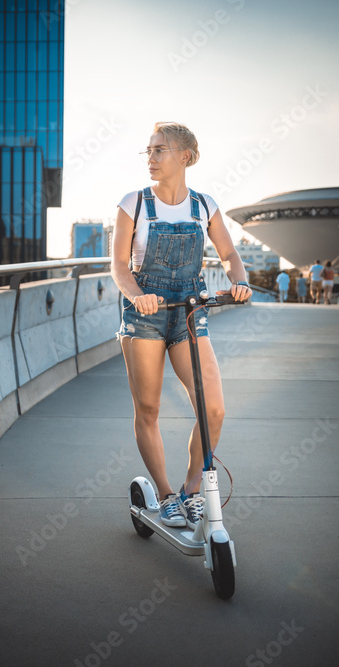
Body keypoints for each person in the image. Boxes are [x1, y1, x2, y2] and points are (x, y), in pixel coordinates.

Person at [112, 122, 252, 529]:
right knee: (149, 407)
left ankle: (192, 491)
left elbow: (229, 254)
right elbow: (119, 265)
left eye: (160, 150)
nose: (151, 158)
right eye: (149, 151)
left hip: (190, 312)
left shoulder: (204, 206)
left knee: (214, 408)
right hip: (145, 316)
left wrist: (238, 281)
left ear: (184, 156)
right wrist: (138, 294)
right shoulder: (133, 203)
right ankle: (167, 494)